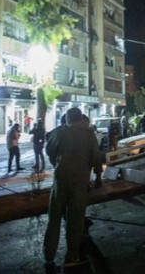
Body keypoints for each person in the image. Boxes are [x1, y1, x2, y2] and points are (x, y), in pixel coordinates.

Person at [44, 108, 103, 269]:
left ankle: (49, 255)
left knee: (54, 217)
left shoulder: (59, 133)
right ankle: (72, 256)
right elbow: (96, 158)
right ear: (80, 118)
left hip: (60, 178)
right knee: (75, 219)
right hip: (80, 180)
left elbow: (49, 151)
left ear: (67, 119)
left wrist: (57, 164)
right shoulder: (89, 134)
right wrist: (97, 177)